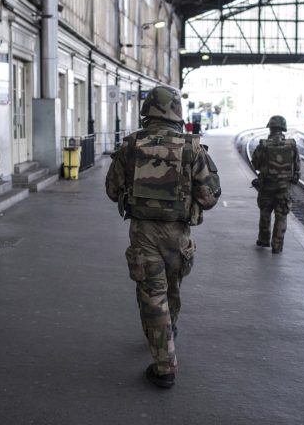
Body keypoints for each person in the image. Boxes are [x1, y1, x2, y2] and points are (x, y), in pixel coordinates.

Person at [105, 85, 221, 389]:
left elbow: (111, 190)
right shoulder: (192, 148)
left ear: (147, 111)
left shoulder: (131, 145)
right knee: (171, 288)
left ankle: (164, 363)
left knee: (152, 294)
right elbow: (209, 198)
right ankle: (166, 340)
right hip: (179, 234)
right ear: (177, 113)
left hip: (143, 233)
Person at [251, 115, 300, 254]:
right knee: (281, 215)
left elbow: (255, 163)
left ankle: (264, 240)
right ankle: (277, 245)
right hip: (284, 188)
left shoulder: (264, 145)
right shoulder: (292, 145)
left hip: (266, 186)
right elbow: (297, 166)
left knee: (265, 213)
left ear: (270, 128)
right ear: (283, 128)